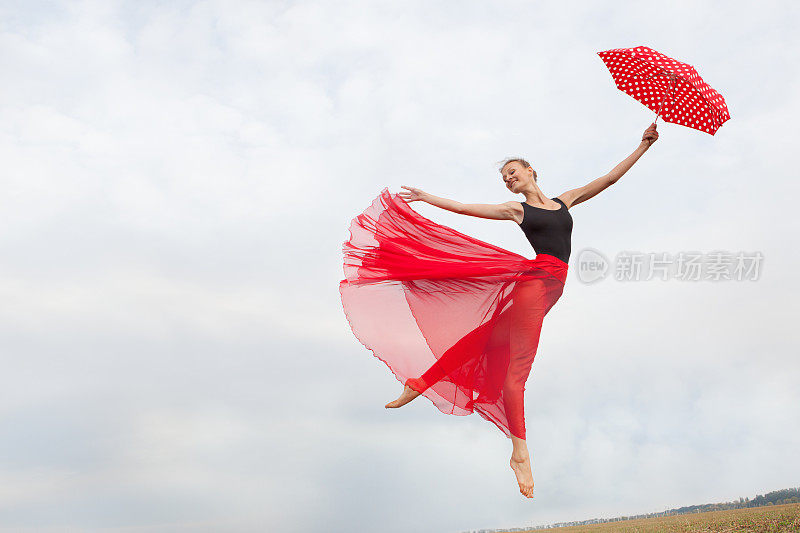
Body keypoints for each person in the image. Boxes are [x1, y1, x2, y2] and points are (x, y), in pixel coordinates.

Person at [340, 123, 658, 499]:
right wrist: (427, 197)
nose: (509, 180)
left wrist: (644, 145)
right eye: (505, 178)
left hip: (550, 289)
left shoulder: (564, 201)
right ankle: (520, 451)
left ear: (530, 171)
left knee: (485, 340)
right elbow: (464, 208)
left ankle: (420, 383)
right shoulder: (515, 210)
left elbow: (608, 179)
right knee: (516, 370)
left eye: (513, 172)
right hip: (534, 285)